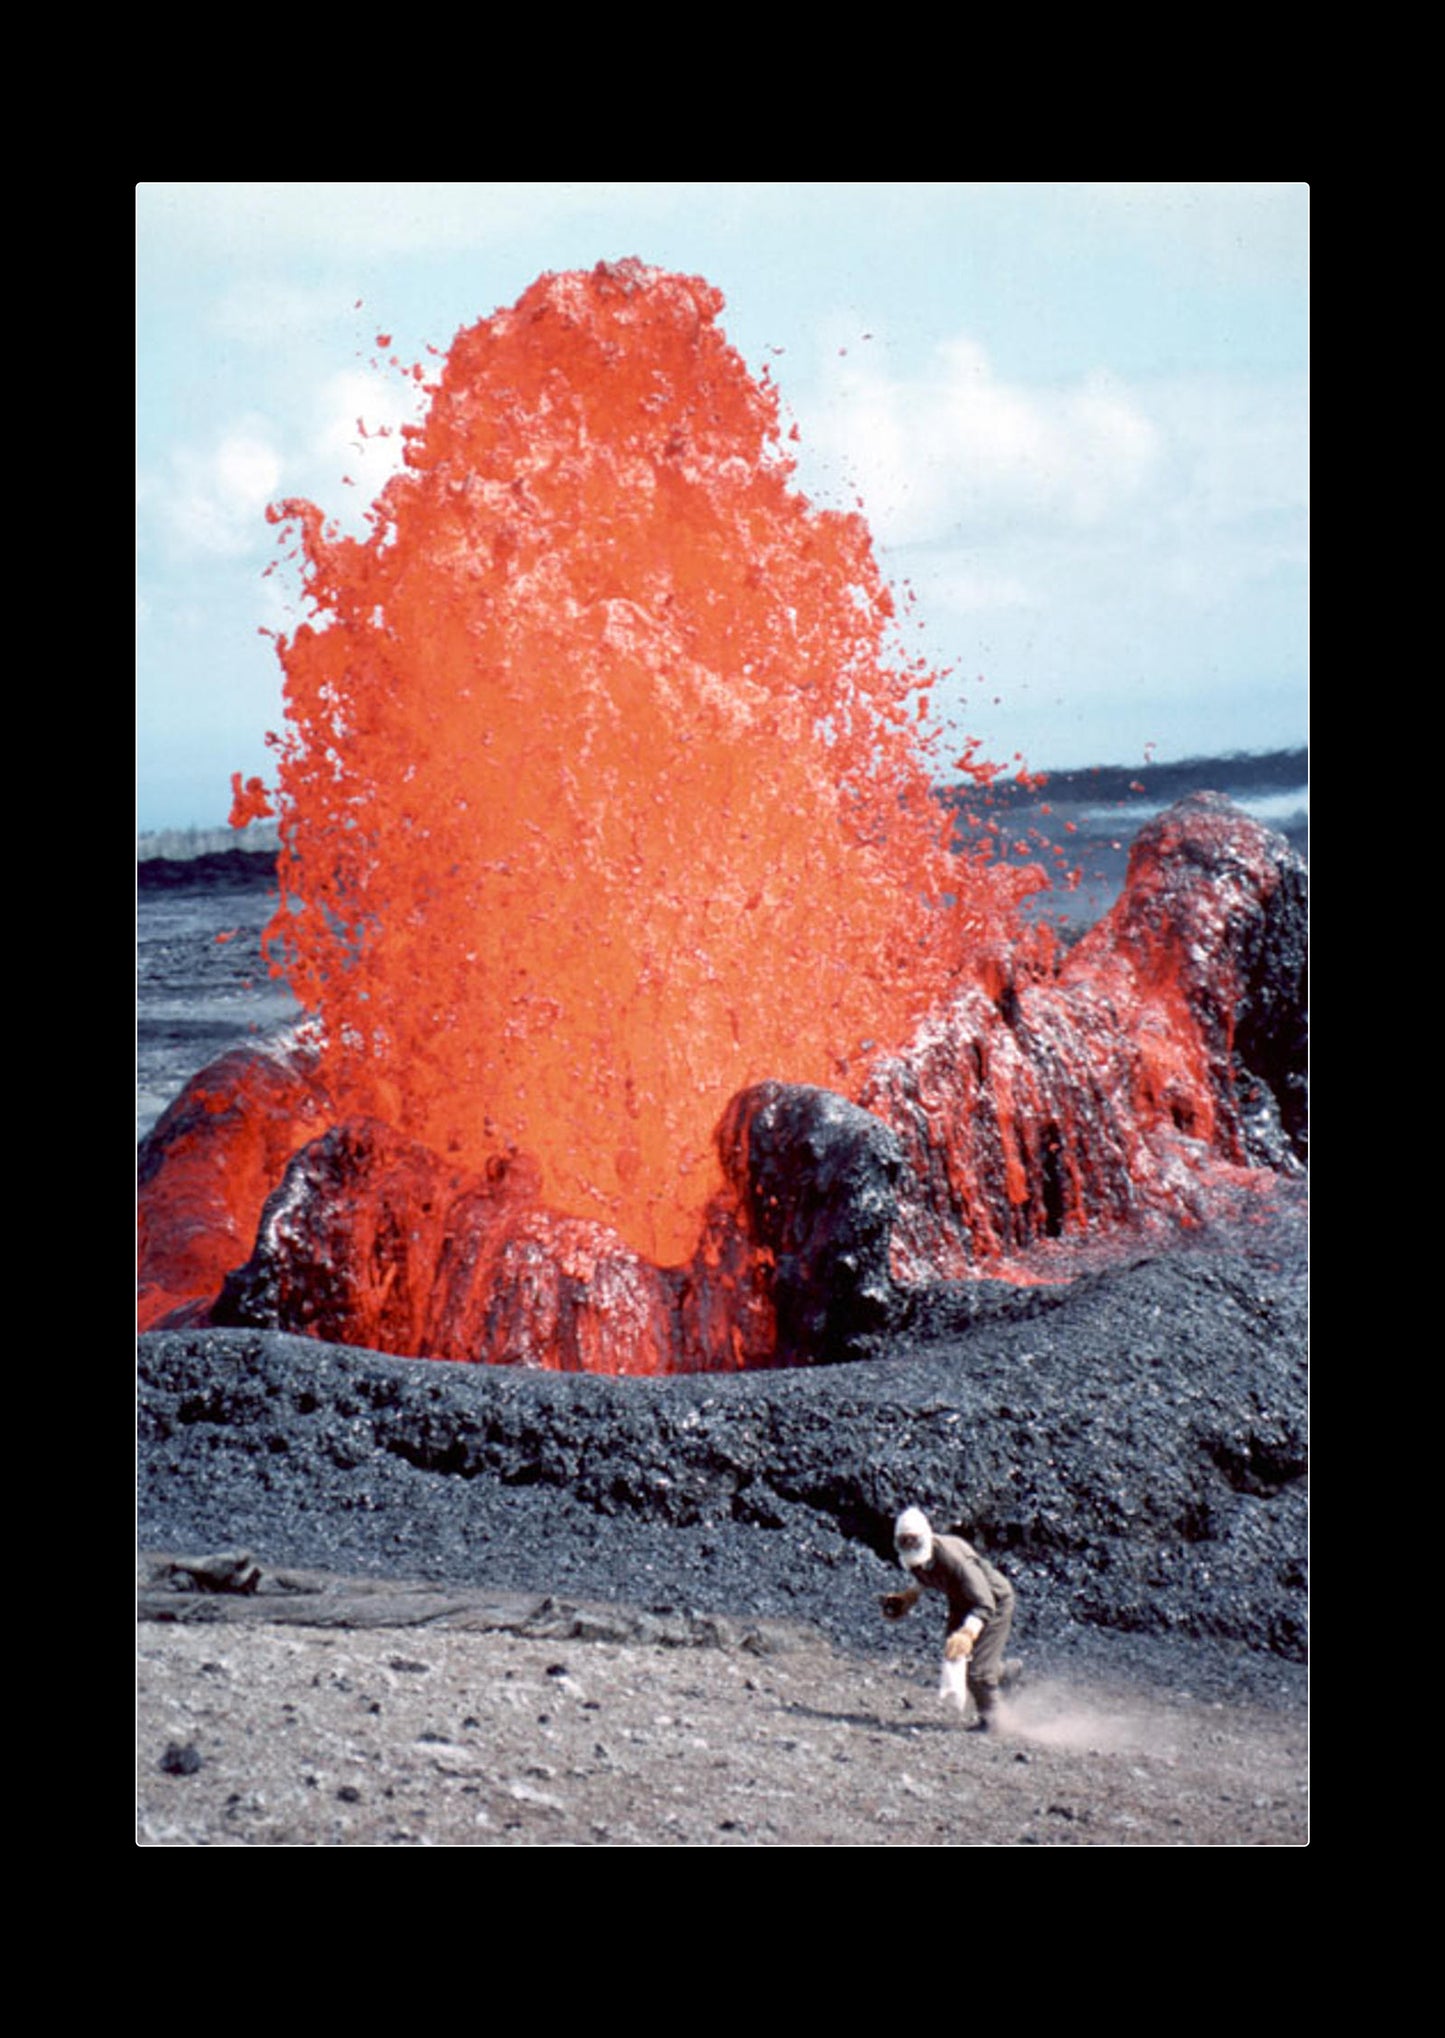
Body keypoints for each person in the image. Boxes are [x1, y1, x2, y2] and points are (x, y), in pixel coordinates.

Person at [881, 1506, 1016, 1729]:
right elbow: (927, 1573)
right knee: (955, 1659)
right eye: (904, 1543)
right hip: (962, 1600)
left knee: (977, 1673)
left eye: (913, 1542)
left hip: (993, 1602)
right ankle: (1007, 1671)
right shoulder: (917, 1556)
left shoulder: (955, 1560)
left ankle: (996, 1723)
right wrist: (909, 1597)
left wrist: (967, 1633)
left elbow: (985, 1603)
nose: (910, 1547)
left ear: (926, 1538)